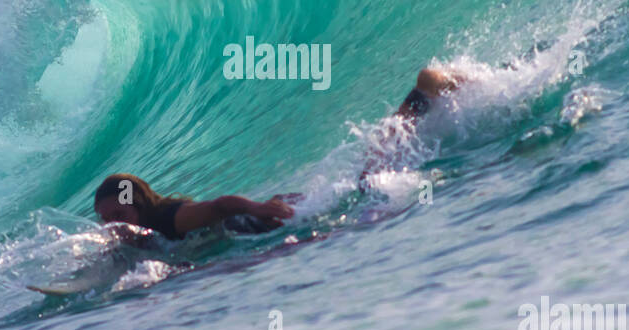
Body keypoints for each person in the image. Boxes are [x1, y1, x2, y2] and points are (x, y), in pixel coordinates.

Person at [93, 65, 466, 240]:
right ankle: (425, 95)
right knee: (364, 181)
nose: (112, 223)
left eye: (118, 213)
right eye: (104, 218)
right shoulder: (137, 233)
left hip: (273, 217)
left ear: (139, 204)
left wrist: (256, 208)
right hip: (271, 214)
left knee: (369, 183)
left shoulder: (172, 218)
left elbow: (221, 206)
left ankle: (427, 87)